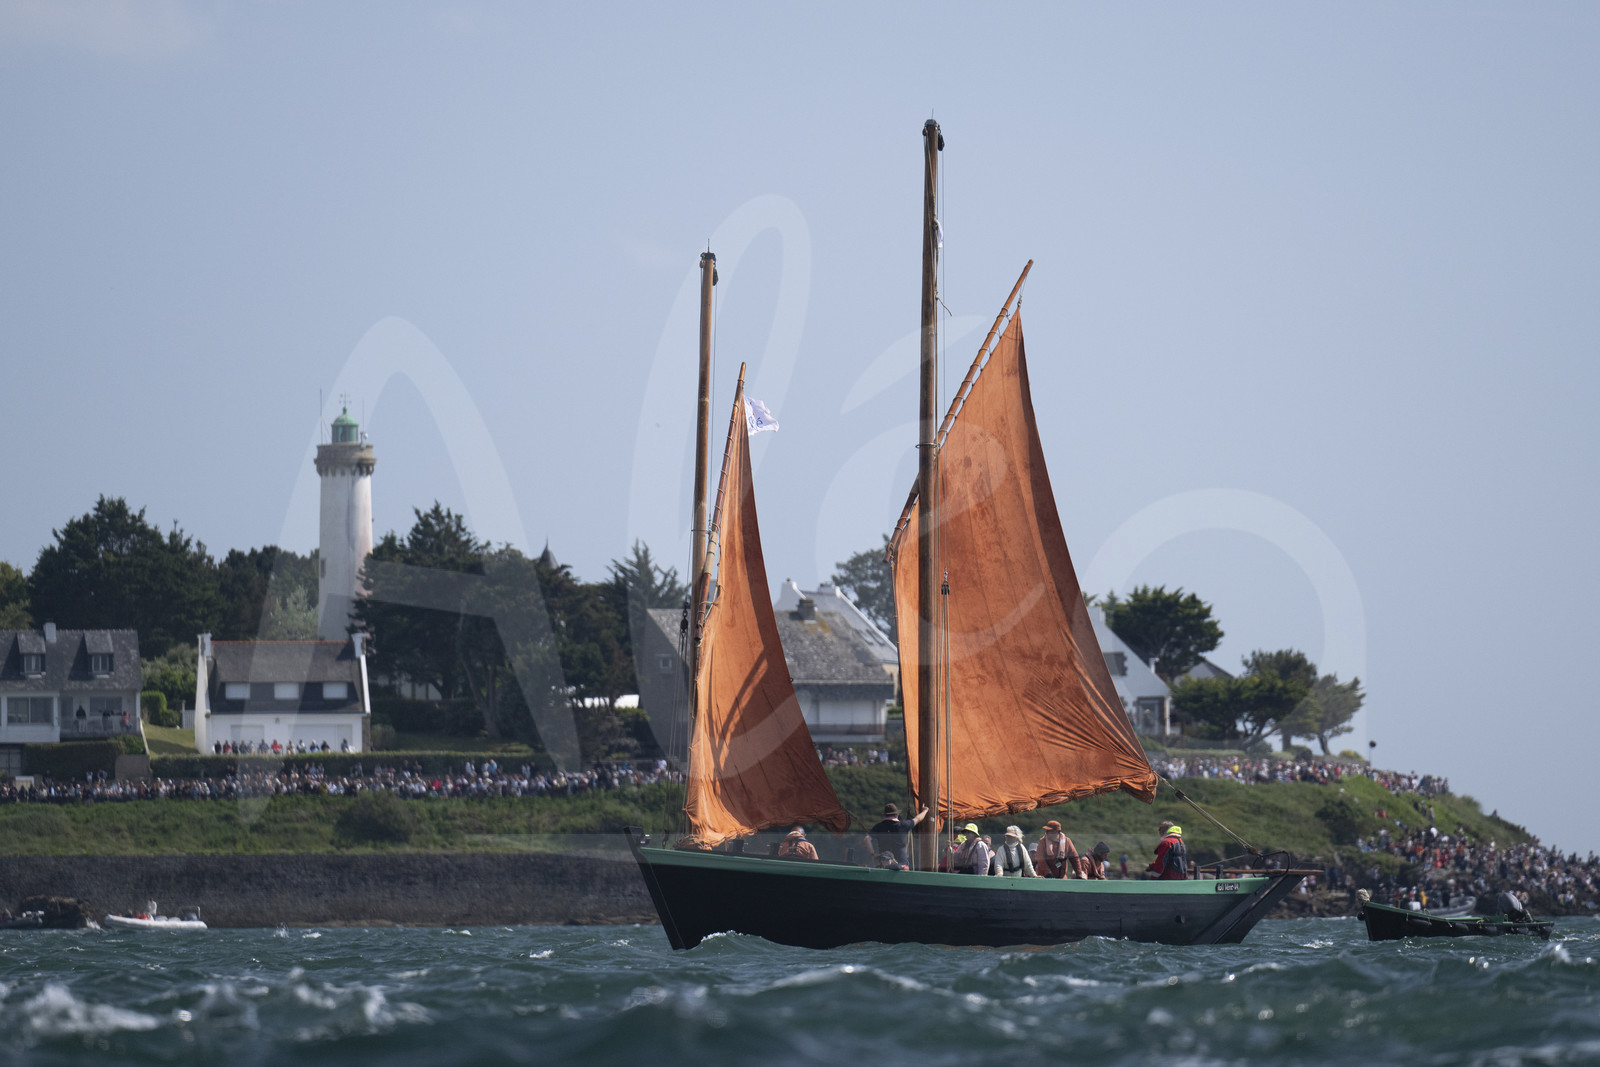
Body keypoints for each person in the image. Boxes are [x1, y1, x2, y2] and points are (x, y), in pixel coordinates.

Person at [868, 803, 930, 869]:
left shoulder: (878, 826)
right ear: (896, 814)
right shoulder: (904, 825)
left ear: (885, 815)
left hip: (884, 865)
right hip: (901, 865)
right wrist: (925, 811)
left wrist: (873, 854)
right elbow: (918, 818)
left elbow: (866, 839)